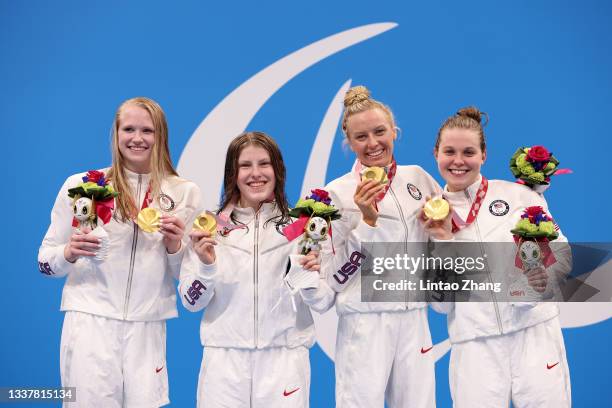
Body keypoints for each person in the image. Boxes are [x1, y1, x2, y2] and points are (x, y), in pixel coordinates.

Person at [38, 97, 201, 407]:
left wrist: (175, 246)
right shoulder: (82, 186)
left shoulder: (183, 192)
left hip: (147, 327)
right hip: (90, 321)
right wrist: (69, 252)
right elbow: (45, 261)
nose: (137, 138)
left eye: (147, 130)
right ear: (115, 134)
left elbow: (187, 277)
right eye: (128, 129)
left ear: (161, 136)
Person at [425, 106, 572, 407]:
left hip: (534, 335)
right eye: (449, 151)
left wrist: (535, 285)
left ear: (484, 155)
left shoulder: (519, 197)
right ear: (436, 153)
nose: (458, 161)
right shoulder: (428, 218)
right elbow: (439, 304)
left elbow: (562, 253)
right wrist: (443, 242)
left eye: (468, 152)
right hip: (475, 347)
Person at [178, 131, 334, 408]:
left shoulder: (303, 228)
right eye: (245, 165)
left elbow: (323, 300)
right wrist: (206, 265)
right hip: (224, 363)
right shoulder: (211, 228)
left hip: (284, 361)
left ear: (278, 170)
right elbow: (191, 302)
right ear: (232, 174)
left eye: (264, 164)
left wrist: (309, 278)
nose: (255, 174)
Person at [323, 85, 441, 408]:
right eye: (361, 137)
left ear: (394, 131)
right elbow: (332, 277)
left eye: (379, 132)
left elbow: (444, 242)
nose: (373, 143)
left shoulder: (418, 179)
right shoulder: (336, 194)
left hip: (414, 319)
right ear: (349, 144)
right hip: (365, 322)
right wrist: (366, 223)